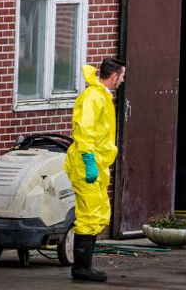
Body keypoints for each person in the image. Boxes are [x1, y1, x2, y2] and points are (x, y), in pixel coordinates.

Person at [65, 57, 126, 282]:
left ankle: (85, 266)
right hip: (87, 164)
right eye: (121, 76)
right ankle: (81, 268)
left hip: (97, 164)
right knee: (89, 215)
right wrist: (89, 160)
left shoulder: (101, 97)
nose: (122, 80)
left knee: (98, 214)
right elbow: (84, 131)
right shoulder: (93, 98)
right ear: (113, 76)